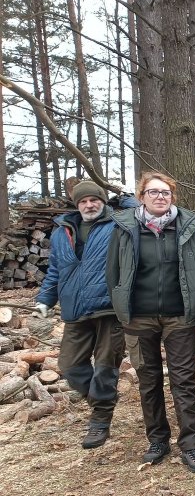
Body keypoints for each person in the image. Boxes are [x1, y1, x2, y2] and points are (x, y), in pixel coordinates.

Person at [107, 172, 195, 472]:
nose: (160, 197)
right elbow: (113, 273)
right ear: (142, 197)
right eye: (153, 192)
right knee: (148, 380)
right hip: (139, 318)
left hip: (180, 316)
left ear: (172, 196)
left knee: (183, 380)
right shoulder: (125, 230)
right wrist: (122, 311)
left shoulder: (188, 228)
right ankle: (158, 439)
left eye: (165, 192)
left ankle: (190, 444)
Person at [35, 180, 124, 449]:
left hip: (110, 308)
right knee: (69, 365)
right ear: (77, 204)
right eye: (83, 201)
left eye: (94, 200)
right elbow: (55, 270)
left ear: (103, 201)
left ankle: (100, 421)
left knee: (106, 366)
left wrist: (126, 195)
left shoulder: (118, 225)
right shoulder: (62, 232)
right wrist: (44, 300)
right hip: (75, 308)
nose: (89, 205)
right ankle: (102, 401)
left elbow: (139, 210)